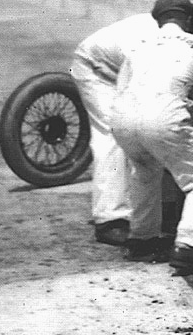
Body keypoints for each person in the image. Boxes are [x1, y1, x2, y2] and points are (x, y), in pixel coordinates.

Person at [111, 0, 193, 274]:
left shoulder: (137, 47)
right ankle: (190, 246)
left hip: (122, 119)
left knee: (144, 171)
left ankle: (142, 239)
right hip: (164, 118)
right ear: (188, 19)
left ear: (158, 20)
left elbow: (122, 87)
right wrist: (190, 132)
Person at [69, 13, 160, 246]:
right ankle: (109, 219)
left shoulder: (167, 29)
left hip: (116, 65)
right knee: (114, 135)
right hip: (95, 69)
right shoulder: (148, 46)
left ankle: (143, 207)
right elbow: (141, 92)